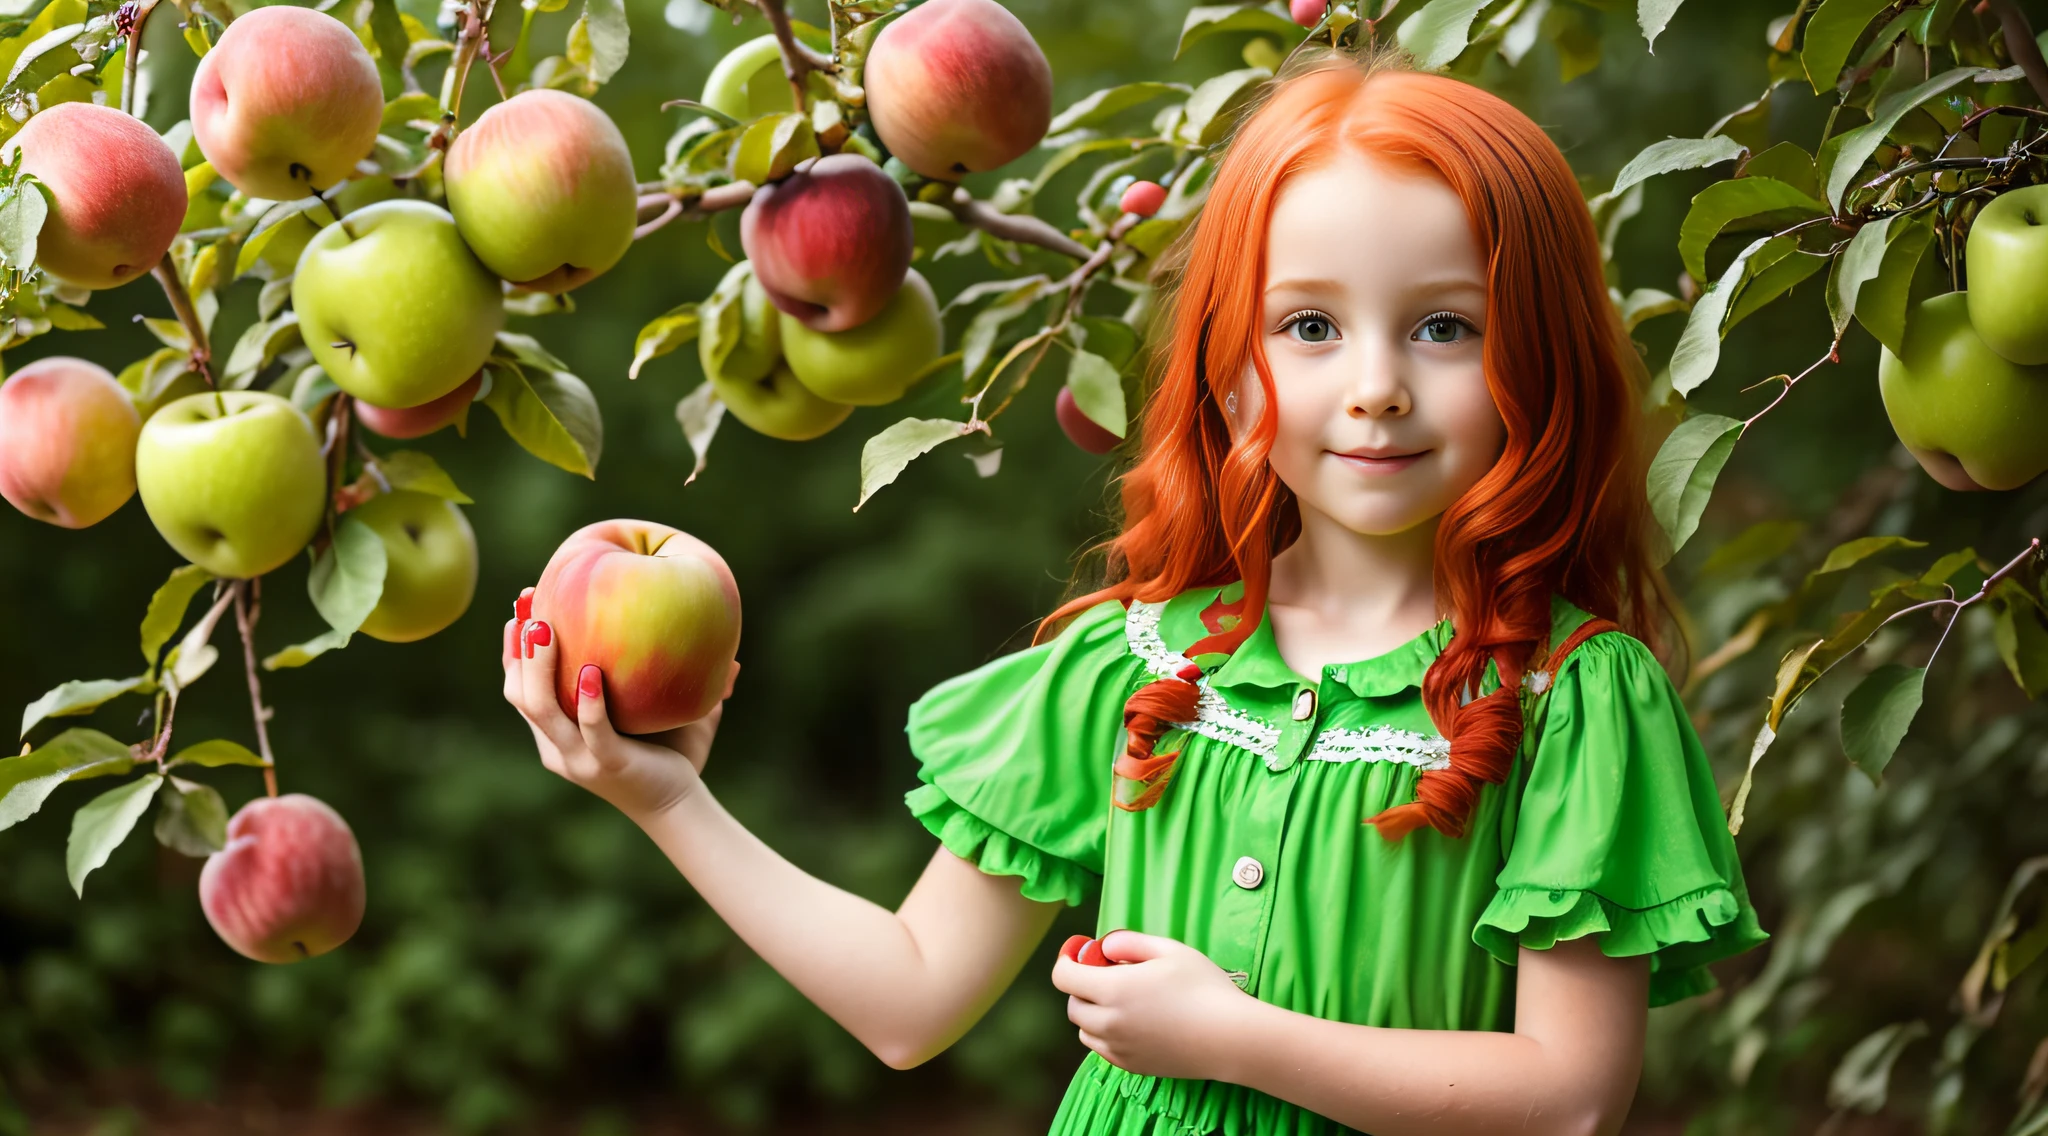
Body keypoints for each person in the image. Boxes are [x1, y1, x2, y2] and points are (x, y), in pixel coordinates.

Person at [502, 45, 1768, 1136]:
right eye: (1309, 328)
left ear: (1535, 364)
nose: (1375, 383)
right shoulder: (1133, 667)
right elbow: (907, 998)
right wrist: (666, 798)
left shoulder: (1571, 697)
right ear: (1228, 376)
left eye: (1443, 326)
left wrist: (1235, 1036)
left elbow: (1567, 1098)